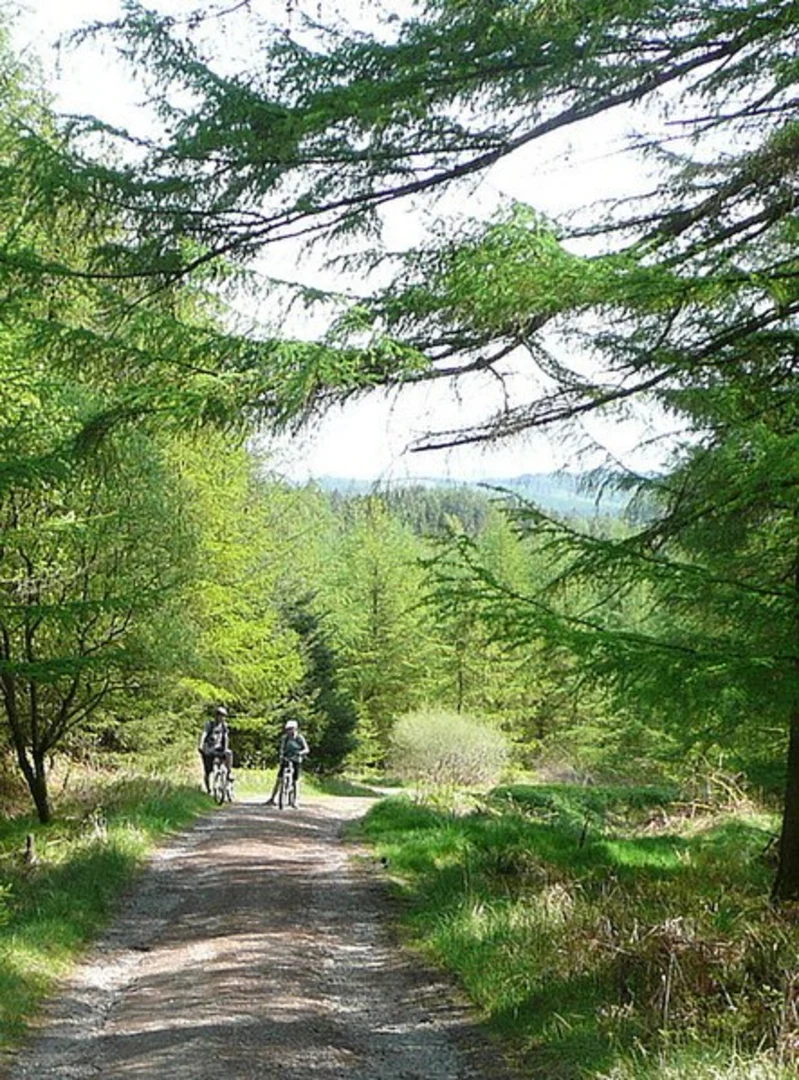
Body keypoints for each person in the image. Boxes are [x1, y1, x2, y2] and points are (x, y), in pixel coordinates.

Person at [265, 719, 309, 805]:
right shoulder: (285, 738)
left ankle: (295, 800)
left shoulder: (300, 738)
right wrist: (281, 755)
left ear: (295, 729)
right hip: (286, 758)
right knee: (279, 779)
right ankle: (272, 798)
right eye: (287, 729)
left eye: (290, 729)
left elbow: (306, 749)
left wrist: (300, 753)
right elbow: (282, 748)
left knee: (295, 781)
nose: (289, 731)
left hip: (296, 759)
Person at [199, 706, 234, 794]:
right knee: (207, 771)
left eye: (224, 716)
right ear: (216, 715)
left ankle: (229, 773)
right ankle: (208, 790)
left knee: (229, 753)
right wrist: (201, 745)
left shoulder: (224, 726)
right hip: (209, 749)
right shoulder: (209, 724)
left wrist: (225, 748)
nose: (222, 718)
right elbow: (204, 733)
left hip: (219, 749)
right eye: (220, 715)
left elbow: (226, 737)